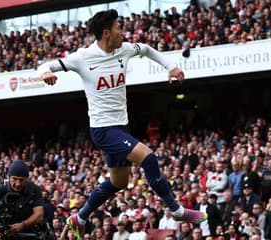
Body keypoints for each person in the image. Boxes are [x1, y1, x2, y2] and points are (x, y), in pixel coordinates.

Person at [38, 9, 207, 240]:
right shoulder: (83, 57)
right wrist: (46, 73)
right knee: (149, 158)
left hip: (122, 127)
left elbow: (147, 49)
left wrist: (171, 67)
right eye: (119, 27)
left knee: (119, 182)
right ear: (106, 32)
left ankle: (80, 217)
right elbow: (44, 65)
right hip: (103, 130)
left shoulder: (124, 49)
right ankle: (177, 210)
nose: (122, 32)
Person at [0, 160, 45, 240]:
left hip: (27, 233)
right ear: (9, 177)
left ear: (27, 178)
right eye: (14, 179)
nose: (18, 183)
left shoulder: (34, 190)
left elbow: (39, 215)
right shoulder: (0, 190)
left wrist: (22, 225)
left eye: (21, 180)